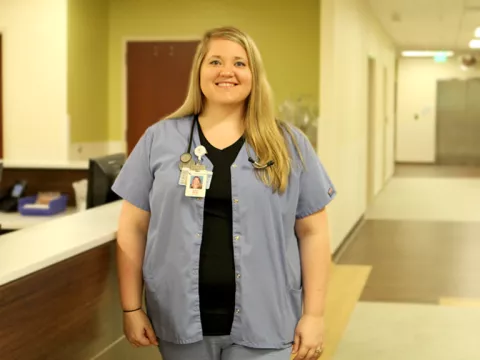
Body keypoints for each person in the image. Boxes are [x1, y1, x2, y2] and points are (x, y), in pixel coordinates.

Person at [112, 26, 336, 360]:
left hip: (267, 321)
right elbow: (132, 227)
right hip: (179, 321)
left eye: (240, 63)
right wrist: (131, 308)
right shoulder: (159, 140)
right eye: (215, 61)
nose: (226, 71)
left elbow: (314, 232)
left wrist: (314, 315)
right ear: (199, 71)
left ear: (254, 75)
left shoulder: (289, 143)